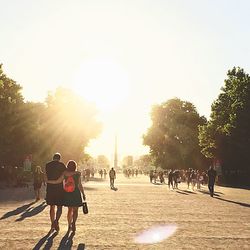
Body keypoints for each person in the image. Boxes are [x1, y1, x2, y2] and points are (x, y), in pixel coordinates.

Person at [47, 160, 86, 232]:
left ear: (68, 166)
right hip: (76, 193)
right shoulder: (78, 174)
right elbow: (80, 185)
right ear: (75, 166)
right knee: (75, 210)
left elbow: (58, 181)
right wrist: (83, 194)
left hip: (68, 193)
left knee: (69, 210)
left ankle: (69, 225)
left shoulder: (65, 173)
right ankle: (73, 222)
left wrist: (48, 181)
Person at [45, 153, 66, 232]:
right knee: (59, 207)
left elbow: (45, 175)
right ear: (59, 158)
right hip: (59, 188)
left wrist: (48, 181)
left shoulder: (47, 165)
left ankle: (52, 223)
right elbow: (64, 175)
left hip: (50, 188)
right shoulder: (62, 165)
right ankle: (56, 221)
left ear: (53, 158)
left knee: (52, 207)